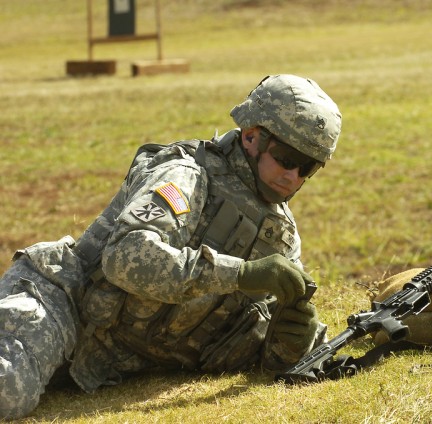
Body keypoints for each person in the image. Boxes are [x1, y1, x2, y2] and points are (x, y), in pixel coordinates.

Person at [0, 74, 342, 419]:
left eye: (308, 166)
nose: (293, 176)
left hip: (110, 360)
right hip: (62, 305)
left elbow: (260, 338)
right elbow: (126, 257)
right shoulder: (187, 174)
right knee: (7, 390)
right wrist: (240, 273)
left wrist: (290, 342)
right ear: (252, 136)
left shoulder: (280, 236)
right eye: (285, 157)